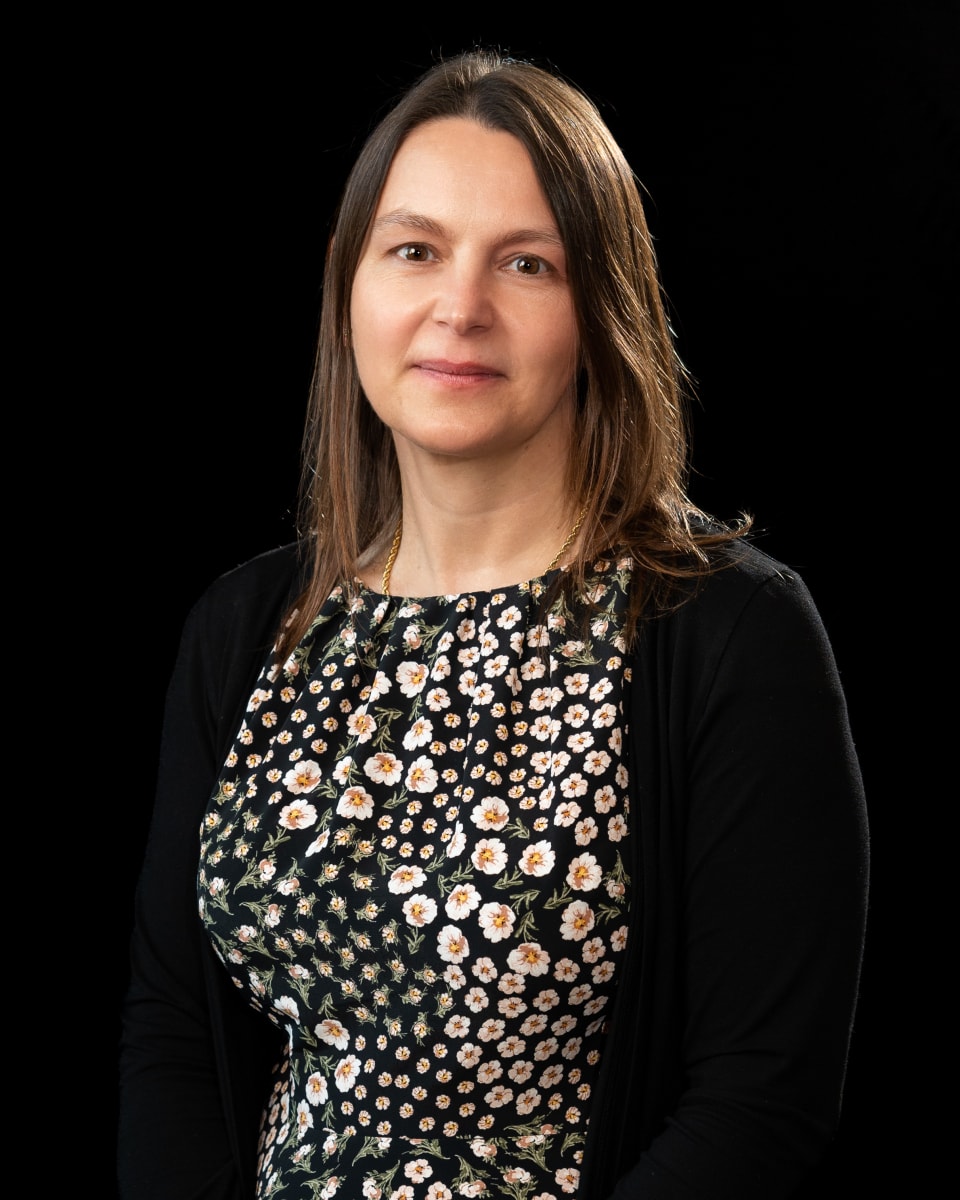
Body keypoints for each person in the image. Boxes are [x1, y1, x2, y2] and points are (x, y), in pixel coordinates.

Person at [118, 50, 869, 1199]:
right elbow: (173, 1034)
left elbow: (761, 1094)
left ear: (602, 304)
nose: (458, 308)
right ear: (347, 283)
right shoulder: (247, 626)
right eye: (413, 249)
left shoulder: (725, 630)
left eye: (527, 263)